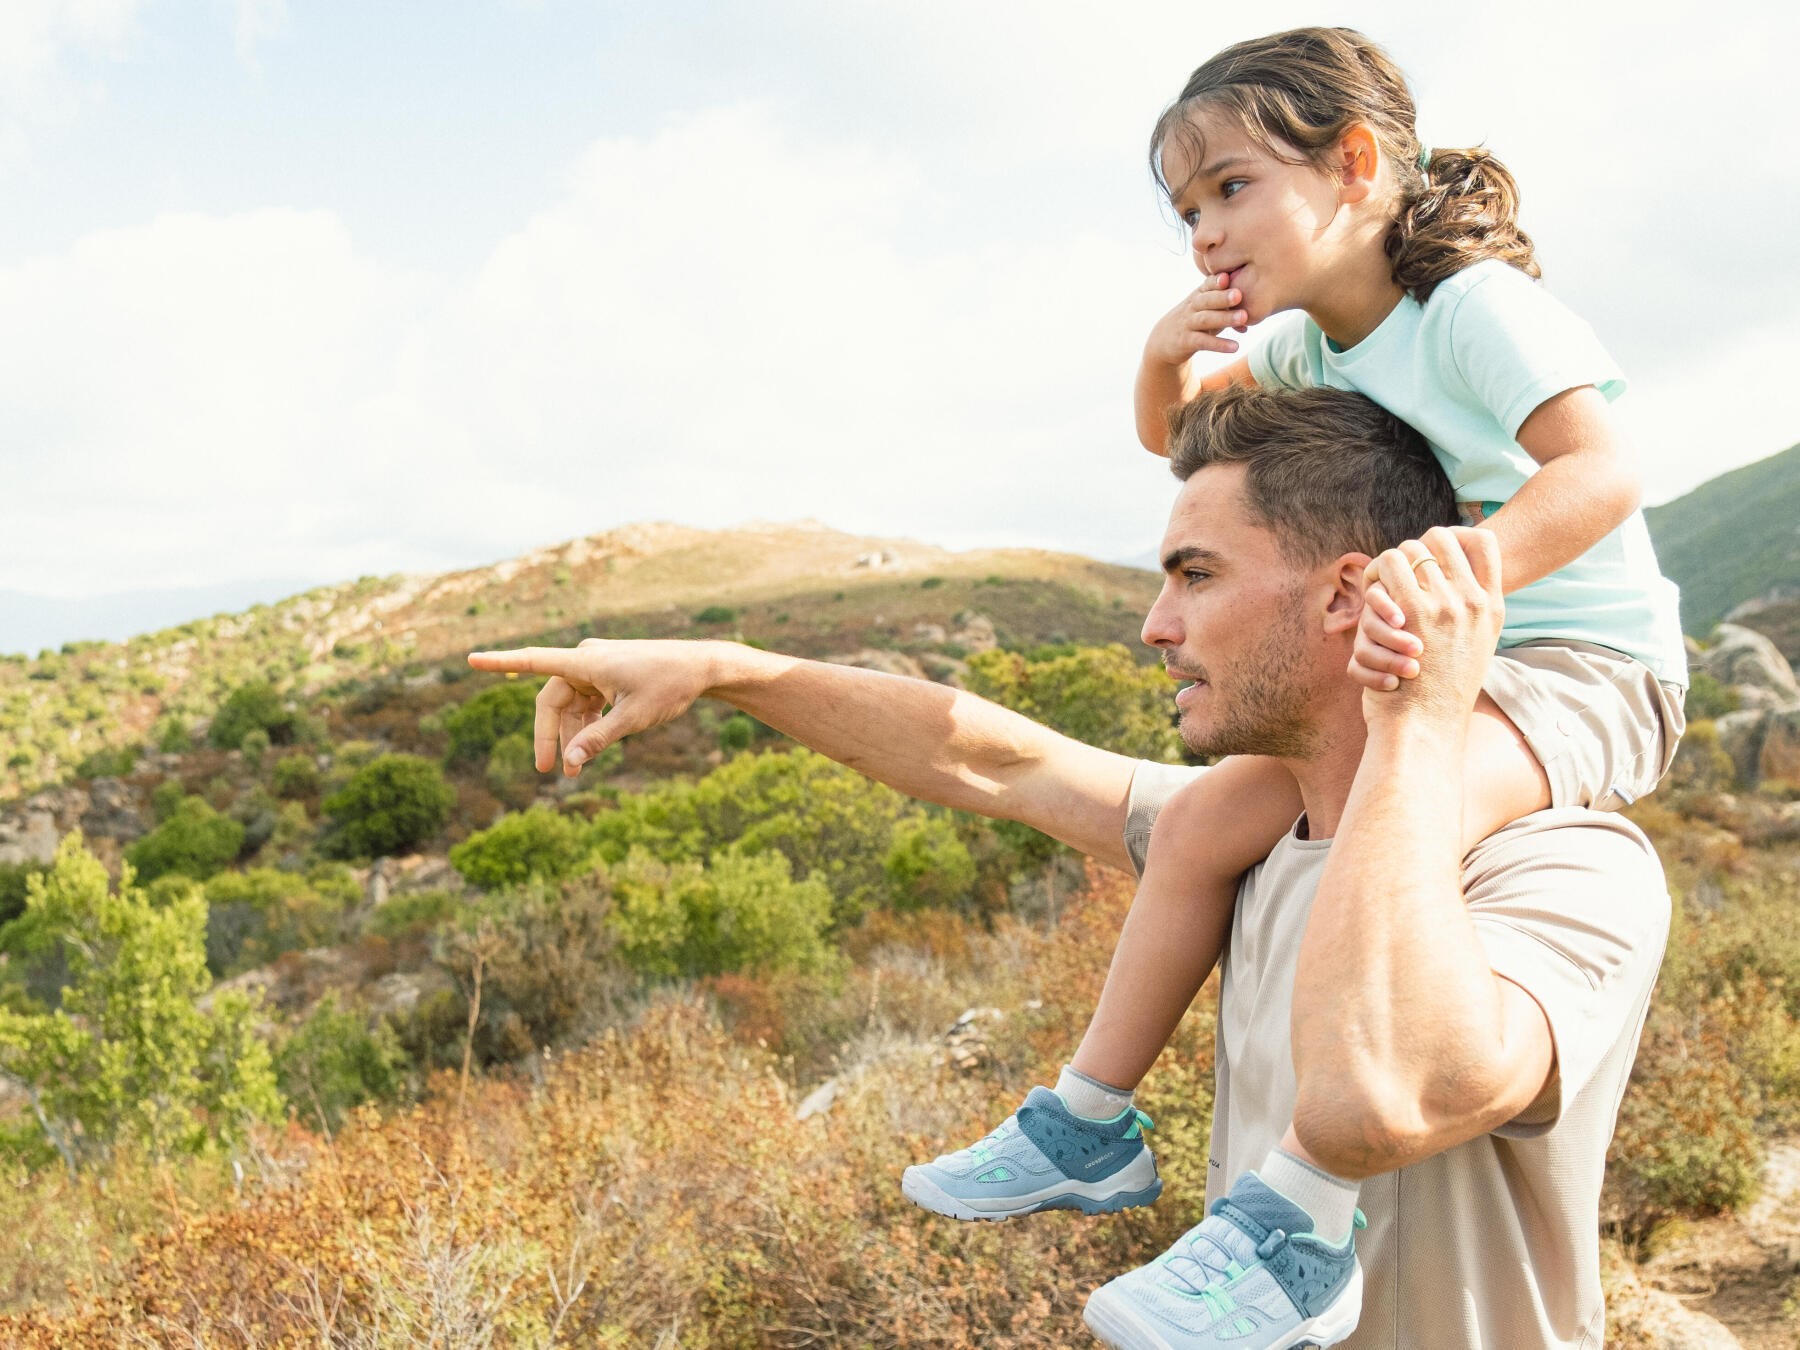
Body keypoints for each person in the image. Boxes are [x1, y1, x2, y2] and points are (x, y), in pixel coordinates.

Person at [467, 382, 1670, 1349]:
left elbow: (1385, 1094)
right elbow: (991, 761)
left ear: (1353, 595)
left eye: (1195, 574)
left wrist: (1417, 713)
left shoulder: (1567, 870)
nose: (1155, 624)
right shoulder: (1246, 835)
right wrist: (733, 669)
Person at [904, 28, 1687, 1345]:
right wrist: (1165, 354)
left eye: (1231, 188)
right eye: (1184, 211)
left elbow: (1602, 473)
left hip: (1579, 668)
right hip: (1457, 656)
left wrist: (1458, 577)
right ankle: (1084, 1120)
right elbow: (1177, 435)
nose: (1205, 232)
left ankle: (1301, 1223)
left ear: (1357, 165)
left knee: (1394, 824)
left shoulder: (1471, 310)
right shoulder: (1315, 352)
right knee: (1212, 820)